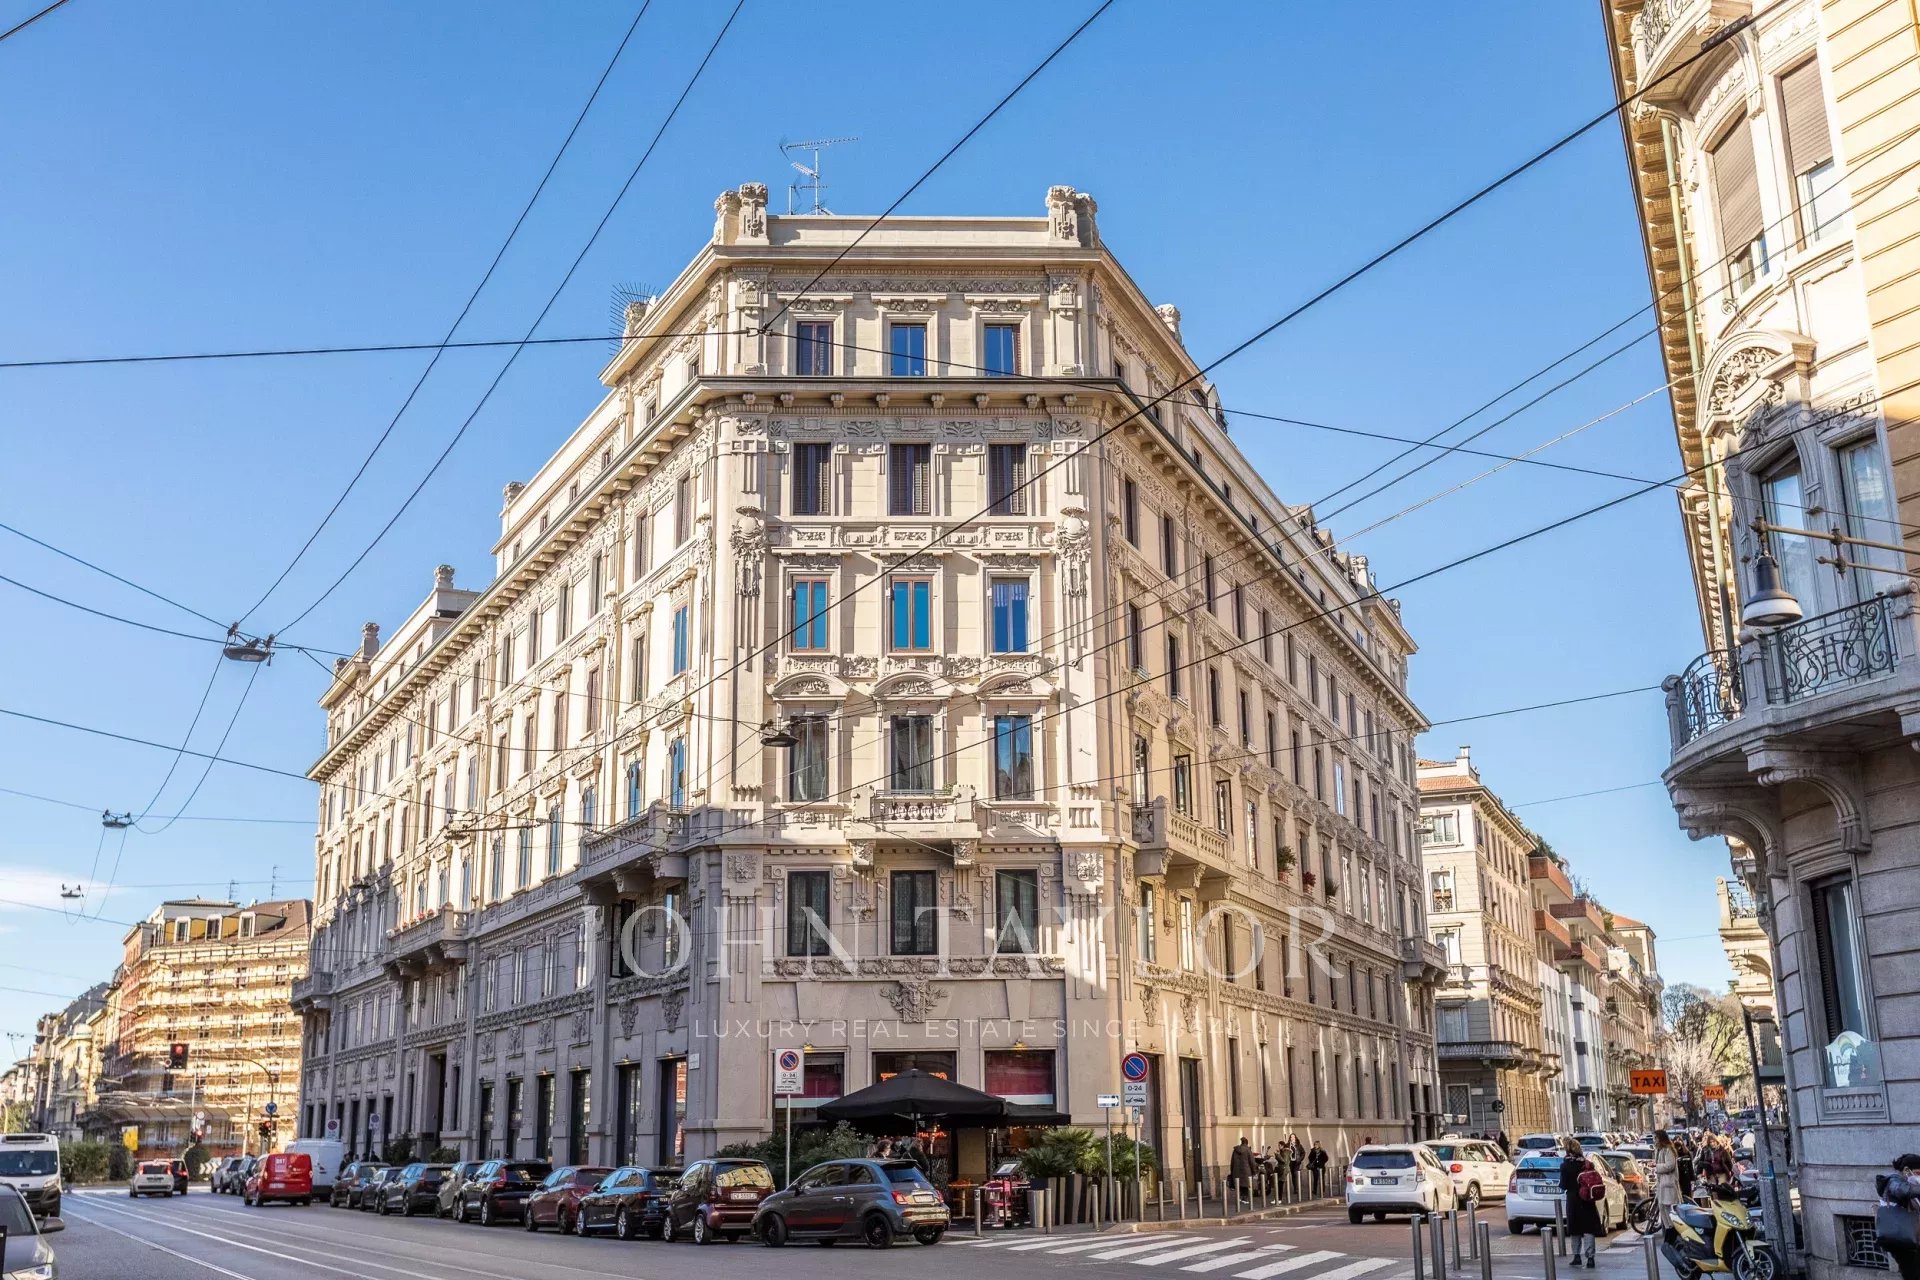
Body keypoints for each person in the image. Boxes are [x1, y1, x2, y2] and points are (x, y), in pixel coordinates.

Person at [1558, 1137, 1606, 1268]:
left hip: (1573, 1199)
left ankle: (1576, 1256)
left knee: (1575, 1229)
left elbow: (1563, 1185)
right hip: (1587, 1200)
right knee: (1588, 1228)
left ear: (1568, 1150)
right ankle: (1590, 1258)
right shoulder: (1587, 1163)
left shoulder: (1565, 1166)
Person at [1876, 1154, 1920, 1280]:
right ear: (1907, 1170)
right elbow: (1902, 1191)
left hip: (1912, 1237)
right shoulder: (1894, 1180)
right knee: (1913, 1274)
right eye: (1918, 1173)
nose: (1919, 1176)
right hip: (1902, 1239)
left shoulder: (1911, 1183)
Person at [1652, 1130, 1681, 1228]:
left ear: (1661, 1138)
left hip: (1668, 1182)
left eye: (1655, 1138)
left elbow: (1670, 1165)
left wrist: (1657, 1167)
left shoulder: (1668, 1150)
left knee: (1669, 1208)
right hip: (1661, 1183)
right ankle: (1668, 1229)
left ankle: (1672, 1230)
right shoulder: (1658, 1150)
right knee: (1662, 1207)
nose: (1654, 1140)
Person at [1230, 1137, 1255, 1206]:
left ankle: (1240, 1197)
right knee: (1246, 1185)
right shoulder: (1248, 1150)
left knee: (1239, 1184)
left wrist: (1232, 1171)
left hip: (1236, 1171)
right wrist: (1254, 1171)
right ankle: (1245, 1199)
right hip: (1246, 1171)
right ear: (1246, 1143)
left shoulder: (1235, 1150)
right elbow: (1252, 1162)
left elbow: (1232, 1162)